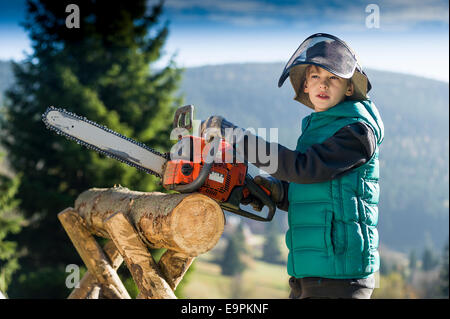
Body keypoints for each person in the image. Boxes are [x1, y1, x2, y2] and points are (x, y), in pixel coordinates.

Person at [200, 33, 384, 299]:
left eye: (333, 77)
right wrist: (277, 191)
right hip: (310, 271)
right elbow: (314, 186)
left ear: (348, 87)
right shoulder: (318, 128)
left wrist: (235, 135)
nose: (323, 84)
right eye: (315, 77)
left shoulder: (356, 132)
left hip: (340, 274)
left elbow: (303, 169)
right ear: (305, 86)